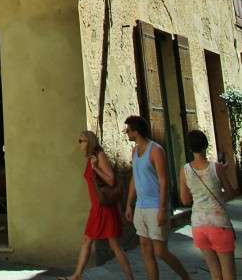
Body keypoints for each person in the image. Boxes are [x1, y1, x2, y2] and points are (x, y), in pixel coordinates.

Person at [59, 130, 134, 280]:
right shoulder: (92, 158)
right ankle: (77, 275)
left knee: (114, 245)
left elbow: (111, 180)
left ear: (89, 142)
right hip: (97, 208)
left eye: (81, 141)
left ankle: (130, 278)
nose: (79, 144)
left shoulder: (99, 156)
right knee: (88, 240)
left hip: (105, 208)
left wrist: (96, 168)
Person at [125, 115, 189, 280]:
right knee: (145, 249)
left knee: (160, 251)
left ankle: (186, 277)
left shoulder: (156, 150)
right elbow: (135, 178)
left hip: (155, 206)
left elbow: (164, 180)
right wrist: (129, 204)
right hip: (141, 206)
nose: (127, 133)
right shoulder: (134, 152)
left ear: (136, 132)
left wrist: (162, 208)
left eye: (128, 130)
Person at [179, 128, 236, 280]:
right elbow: (231, 192)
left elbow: (184, 200)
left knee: (215, 274)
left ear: (190, 148)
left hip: (199, 225)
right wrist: (224, 173)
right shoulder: (216, 167)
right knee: (229, 273)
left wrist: (197, 190)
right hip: (219, 224)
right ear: (205, 145)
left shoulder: (184, 170)